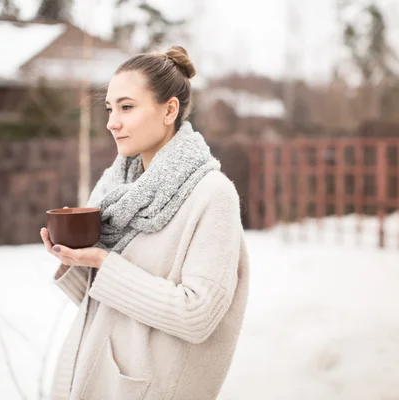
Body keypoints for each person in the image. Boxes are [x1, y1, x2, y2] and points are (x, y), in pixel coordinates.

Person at [39, 45, 249, 400]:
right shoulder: (119, 188)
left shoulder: (212, 194)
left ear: (170, 110)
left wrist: (105, 263)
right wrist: (79, 261)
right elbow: (117, 305)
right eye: (109, 108)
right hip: (97, 375)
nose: (111, 121)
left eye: (126, 107)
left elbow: (196, 314)